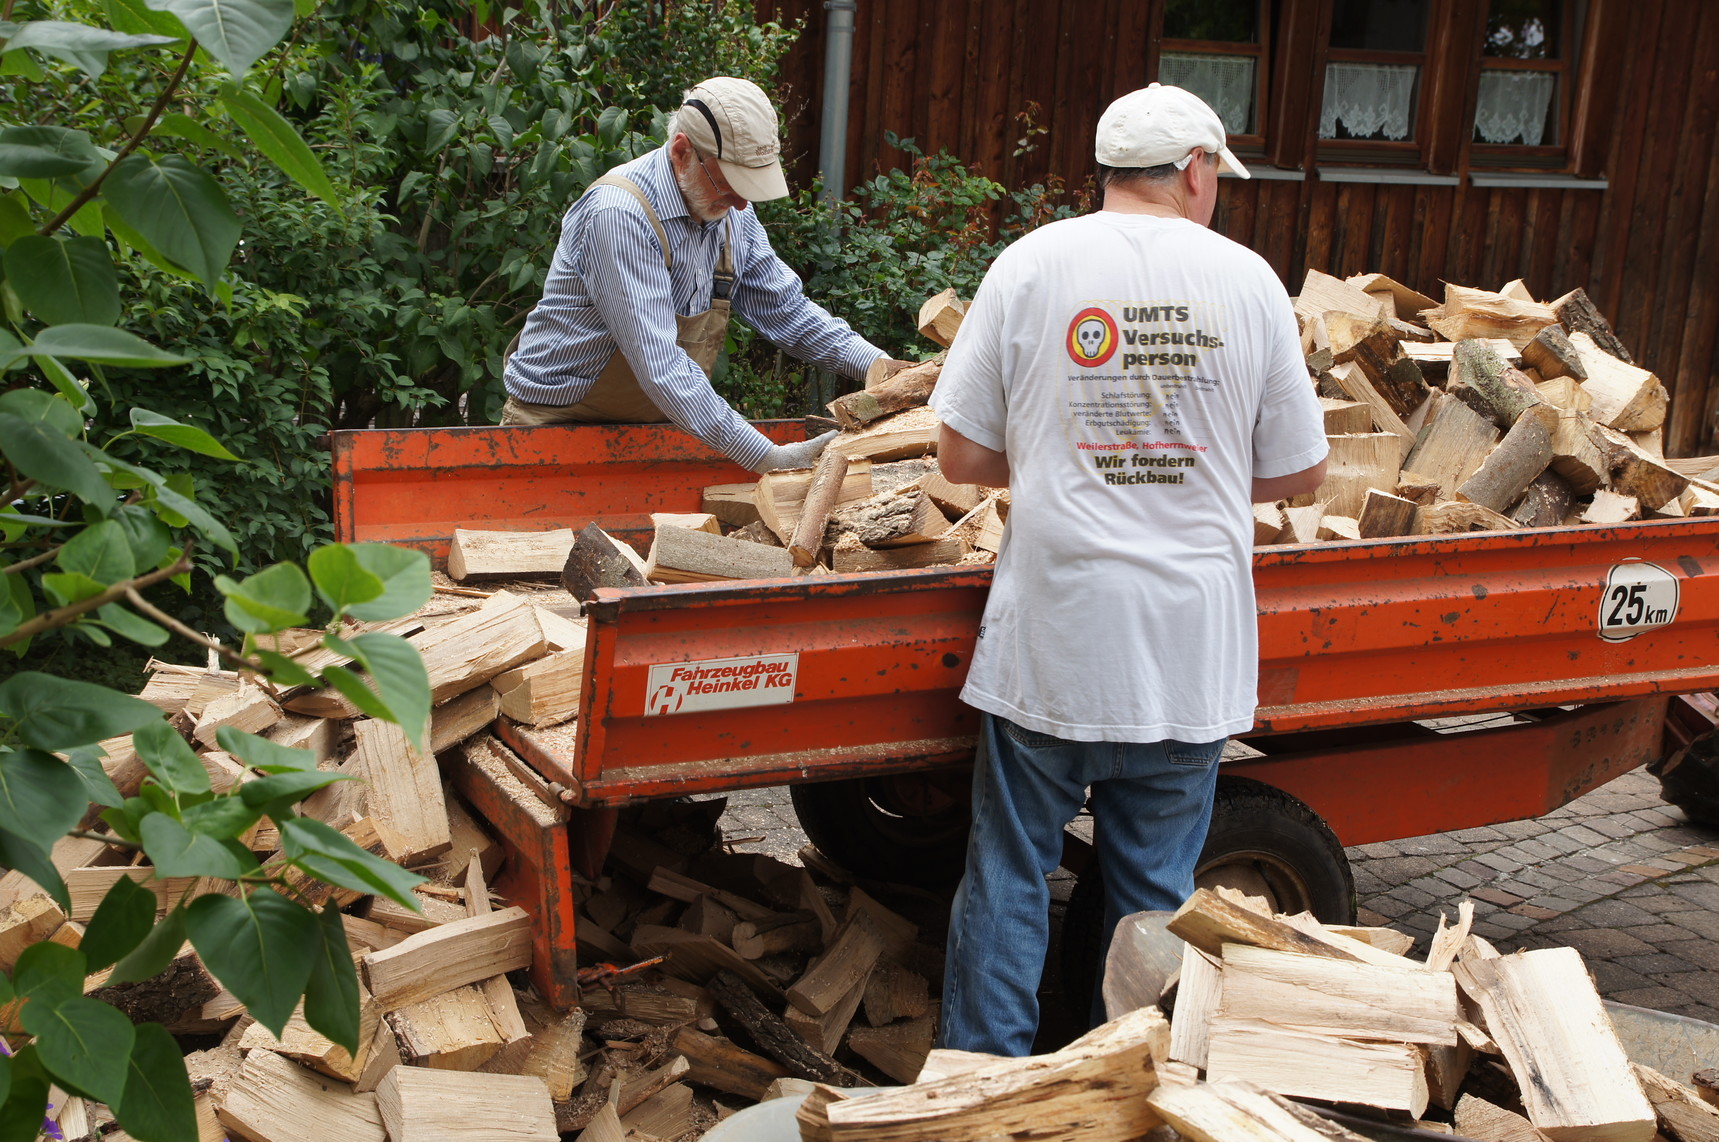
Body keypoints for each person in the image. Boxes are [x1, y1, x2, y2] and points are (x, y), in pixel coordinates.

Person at [927, 83, 1330, 1056]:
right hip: (1186, 652)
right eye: (1216, 177)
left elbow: (958, 457)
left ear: (1108, 170)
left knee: (1008, 873)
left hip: (1053, 640)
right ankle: (1141, 1087)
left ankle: (978, 1087)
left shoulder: (1030, 265)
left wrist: (1065, 451)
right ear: (1196, 170)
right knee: (1152, 899)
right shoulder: (1247, 281)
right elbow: (1302, 470)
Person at [501, 76, 910, 472]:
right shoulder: (619, 215)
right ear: (682, 152)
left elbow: (788, 311)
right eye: (731, 182)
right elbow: (659, 365)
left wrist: (882, 369)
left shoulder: (729, 212)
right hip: (552, 430)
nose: (742, 203)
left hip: (655, 428)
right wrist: (768, 456)